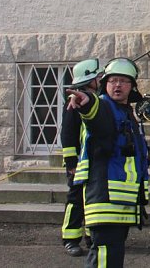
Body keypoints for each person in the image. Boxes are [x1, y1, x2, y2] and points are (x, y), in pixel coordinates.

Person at [65, 57, 150, 267]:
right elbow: (96, 114)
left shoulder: (126, 113)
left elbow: (123, 152)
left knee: (110, 257)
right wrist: (86, 101)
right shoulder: (104, 106)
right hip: (105, 198)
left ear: (132, 86)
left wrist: (148, 158)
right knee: (105, 257)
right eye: (112, 80)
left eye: (123, 81)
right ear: (104, 84)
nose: (117, 85)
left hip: (120, 202)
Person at [60, 58, 101, 257]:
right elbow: (68, 134)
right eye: (98, 77)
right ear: (89, 80)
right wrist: (71, 163)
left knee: (91, 200)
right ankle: (70, 239)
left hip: (93, 160)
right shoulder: (74, 102)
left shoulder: (95, 100)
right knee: (76, 199)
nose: (101, 80)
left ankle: (90, 236)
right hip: (78, 162)